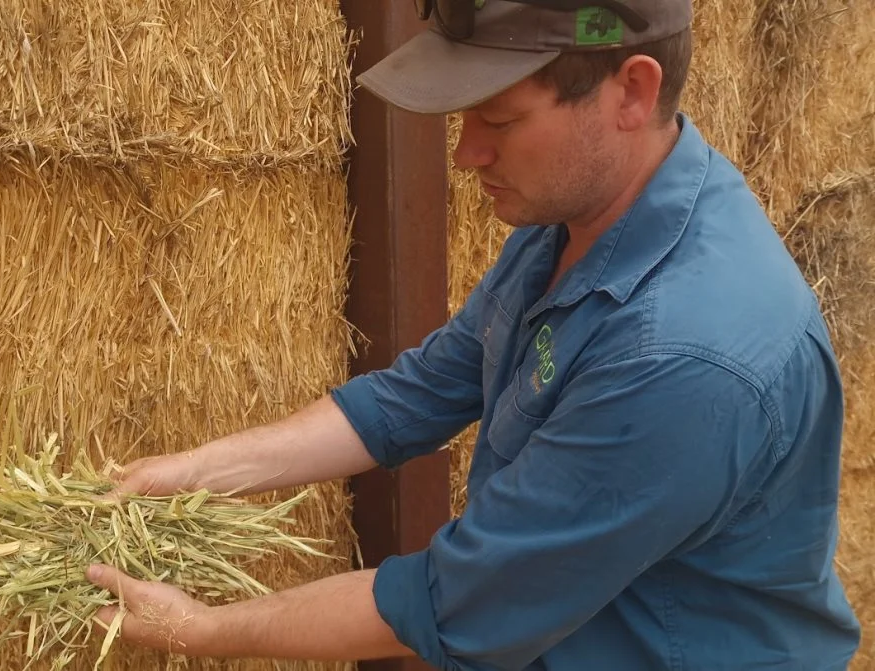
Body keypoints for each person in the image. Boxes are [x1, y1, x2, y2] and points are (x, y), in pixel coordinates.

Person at [84, 1, 863, 668]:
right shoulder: (575, 217)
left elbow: (456, 599)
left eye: (499, 118)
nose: (466, 154)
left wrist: (199, 628)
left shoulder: (683, 356)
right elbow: (415, 395)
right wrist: (186, 475)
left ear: (632, 90)